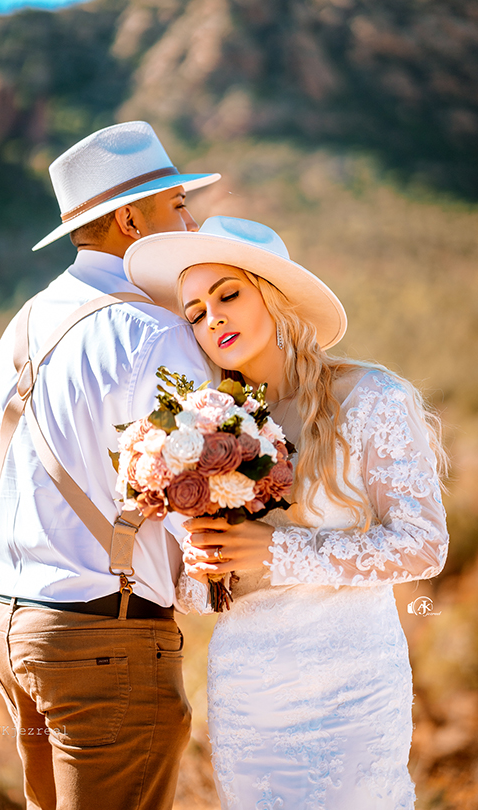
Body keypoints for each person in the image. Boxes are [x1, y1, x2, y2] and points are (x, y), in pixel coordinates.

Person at [123, 215, 449, 809]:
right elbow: (199, 598)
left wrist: (280, 551)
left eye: (228, 294)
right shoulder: (204, 431)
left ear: (276, 298)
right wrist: (205, 564)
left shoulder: (372, 398)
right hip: (248, 693)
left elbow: (424, 543)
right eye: (195, 312)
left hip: (352, 686)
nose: (212, 317)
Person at [0, 121, 220, 810]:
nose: (191, 219)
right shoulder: (158, 331)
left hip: (12, 624)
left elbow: (13, 477)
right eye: (177, 205)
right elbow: (192, 490)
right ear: (127, 219)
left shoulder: (23, 322)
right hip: (105, 638)